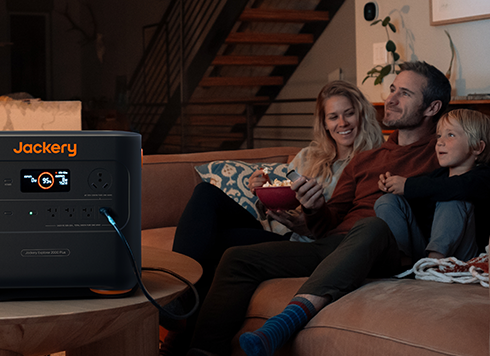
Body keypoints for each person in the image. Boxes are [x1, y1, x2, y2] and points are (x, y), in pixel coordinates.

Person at [187, 61, 490, 356]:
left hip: (388, 248)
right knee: (237, 258)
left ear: (432, 107)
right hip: (337, 246)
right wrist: (310, 209)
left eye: (404, 94)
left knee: (376, 223)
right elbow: (326, 224)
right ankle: (194, 348)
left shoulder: (449, 148)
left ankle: (292, 317)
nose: (392, 99)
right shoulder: (365, 159)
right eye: (393, 90)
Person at [164, 80, 385, 355]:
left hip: (304, 243)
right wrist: (261, 191)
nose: (342, 123)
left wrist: (306, 224)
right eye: (333, 116)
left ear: (361, 113)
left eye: (349, 113)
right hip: (274, 228)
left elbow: (349, 225)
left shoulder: (371, 161)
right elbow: (280, 198)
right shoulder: (309, 156)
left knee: (213, 246)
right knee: (205, 194)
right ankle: (179, 293)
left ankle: (180, 324)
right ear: (324, 123)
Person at [374, 108, 490, 261]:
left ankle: (434, 265)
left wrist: (408, 186)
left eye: (450, 135)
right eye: (439, 135)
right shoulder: (438, 176)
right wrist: (391, 187)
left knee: (452, 197)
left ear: (477, 147)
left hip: (465, 256)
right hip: (423, 252)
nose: (440, 142)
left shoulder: (483, 176)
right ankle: (401, 261)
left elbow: (457, 187)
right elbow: (416, 199)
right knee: (387, 201)